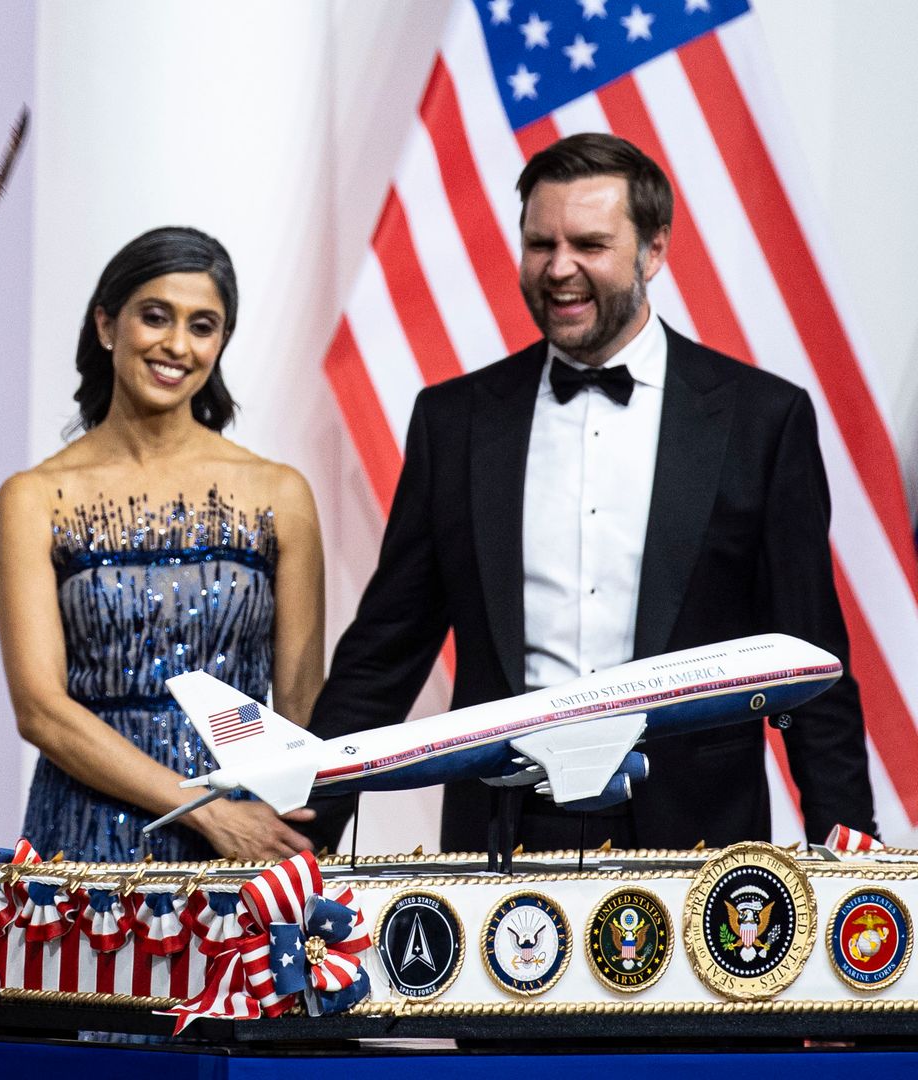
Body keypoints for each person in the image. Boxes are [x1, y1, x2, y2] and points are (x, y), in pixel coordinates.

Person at [300, 133, 876, 855]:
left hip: (697, 842)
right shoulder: (455, 421)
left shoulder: (763, 421)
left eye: (589, 244)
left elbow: (810, 662)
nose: (559, 268)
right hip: (501, 836)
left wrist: (853, 858)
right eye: (540, 243)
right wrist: (302, 821)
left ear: (654, 251)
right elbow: (384, 652)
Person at [0, 226, 326, 864]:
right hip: (86, 839)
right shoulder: (33, 498)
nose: (177, 345)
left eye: (203, 326)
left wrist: (278, 827)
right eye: (155, 317)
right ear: (105, 325)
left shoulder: (279, 493)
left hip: (247, 840)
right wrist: (207, 814)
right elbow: (39, 709)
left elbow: (302, 705)